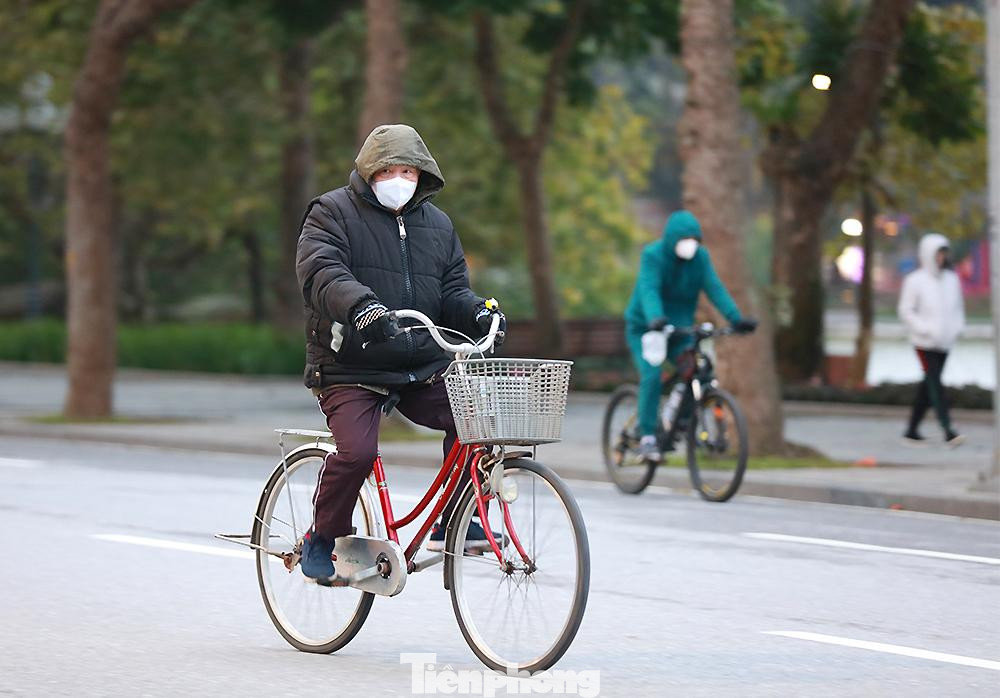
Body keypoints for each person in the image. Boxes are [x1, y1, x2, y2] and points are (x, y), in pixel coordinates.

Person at [294, 124, 506, 583]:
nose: (398, 178)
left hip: (418, 365)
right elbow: (321, 272)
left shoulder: (438, 225)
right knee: (357, 453)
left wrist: (480, 314)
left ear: (421, 173)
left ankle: (456, 519)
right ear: (369, 172)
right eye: (388, 169)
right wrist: (362, 306)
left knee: (477, 420)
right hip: (350, 364)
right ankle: (323, 537)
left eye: (407, 170)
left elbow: (451, 291)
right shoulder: (331, 212)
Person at [624, 210, 757, 463]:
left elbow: (714, 288)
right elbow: (648, 289)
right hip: (647, 328)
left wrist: (736, 318)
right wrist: (655, 317)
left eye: (694, 241)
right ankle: (648, 436)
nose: (690, 246)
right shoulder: (653, 255)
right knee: (652, 375)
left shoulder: (700, 259)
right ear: (672, 239)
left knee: (697, 372)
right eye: (684, 240)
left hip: (680, 330)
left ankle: (679, 424)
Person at [897, 232, 965, 446]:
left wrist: (956, 329)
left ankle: (911, 430)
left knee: (928, 386)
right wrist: (924, 329)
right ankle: (948, 430)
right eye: (938, 253)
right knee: (935, 384)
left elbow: (958, 309)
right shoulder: (915, 280)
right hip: (924, 342)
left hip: (945, 342)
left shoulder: (952, 280)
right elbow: (905, 310)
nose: (941, 258)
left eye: (944, 253)